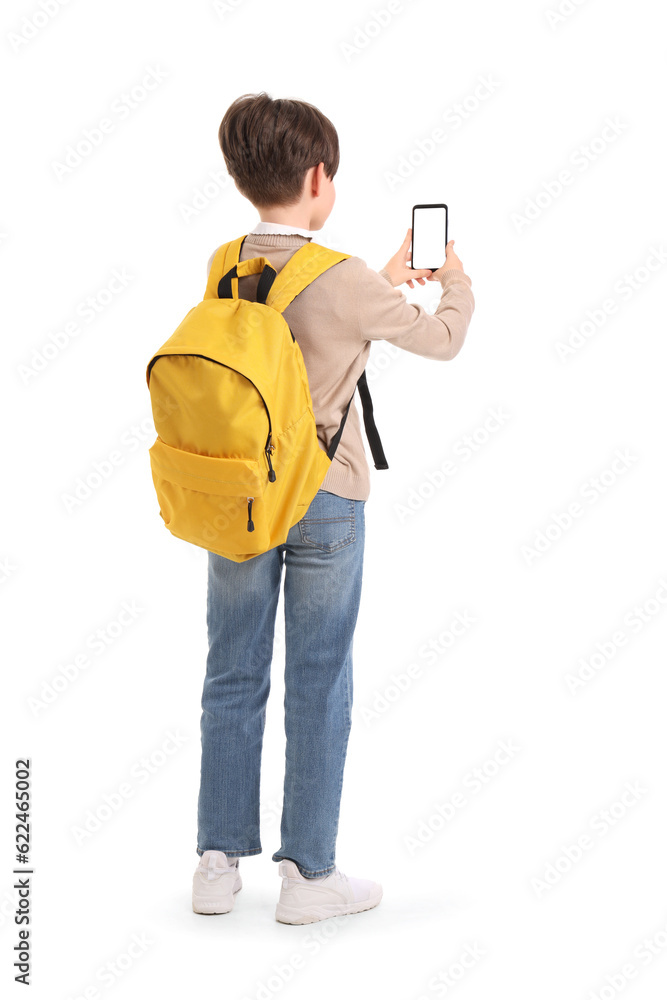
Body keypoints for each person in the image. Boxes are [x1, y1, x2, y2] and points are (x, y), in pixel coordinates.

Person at [191, 92, 475, 925]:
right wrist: (451, 276)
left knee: (232, 671)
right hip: (322, 496)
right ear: (319, 179)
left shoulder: (223, 259)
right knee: (318, 680)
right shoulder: (343, 278)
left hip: (239, 493)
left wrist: (376, 281)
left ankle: (216, 864)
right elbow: (442, 338)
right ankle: (308, 880)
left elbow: (281, 331)